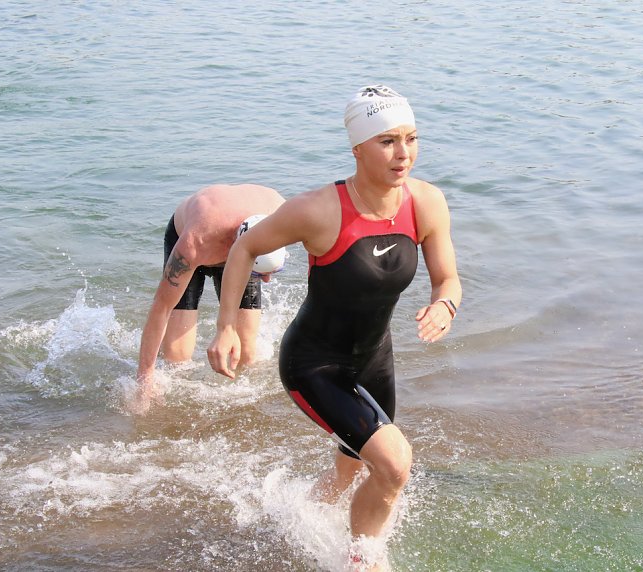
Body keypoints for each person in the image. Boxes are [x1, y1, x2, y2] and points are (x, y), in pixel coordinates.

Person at [207, 85, 461, 569]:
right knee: (393, 466)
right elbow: (243, 250)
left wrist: (445, 305)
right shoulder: (319, 210)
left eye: (411, 138)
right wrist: (226, 328)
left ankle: (297, 516)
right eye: (387, 141)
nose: (403, 153)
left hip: (374, 360)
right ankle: (361, 559)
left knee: (353, 470)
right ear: (358, 148)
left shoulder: (425, 203)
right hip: (314, 364)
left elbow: (447, 278)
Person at [134, 183, 286, 412]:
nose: (265, 281)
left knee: (247, 354)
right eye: (261, 274)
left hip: (242, 244)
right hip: (199, 234)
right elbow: (162, 307)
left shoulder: (284, 215)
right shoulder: (194, 244)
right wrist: (144, 379)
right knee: (177, 358)